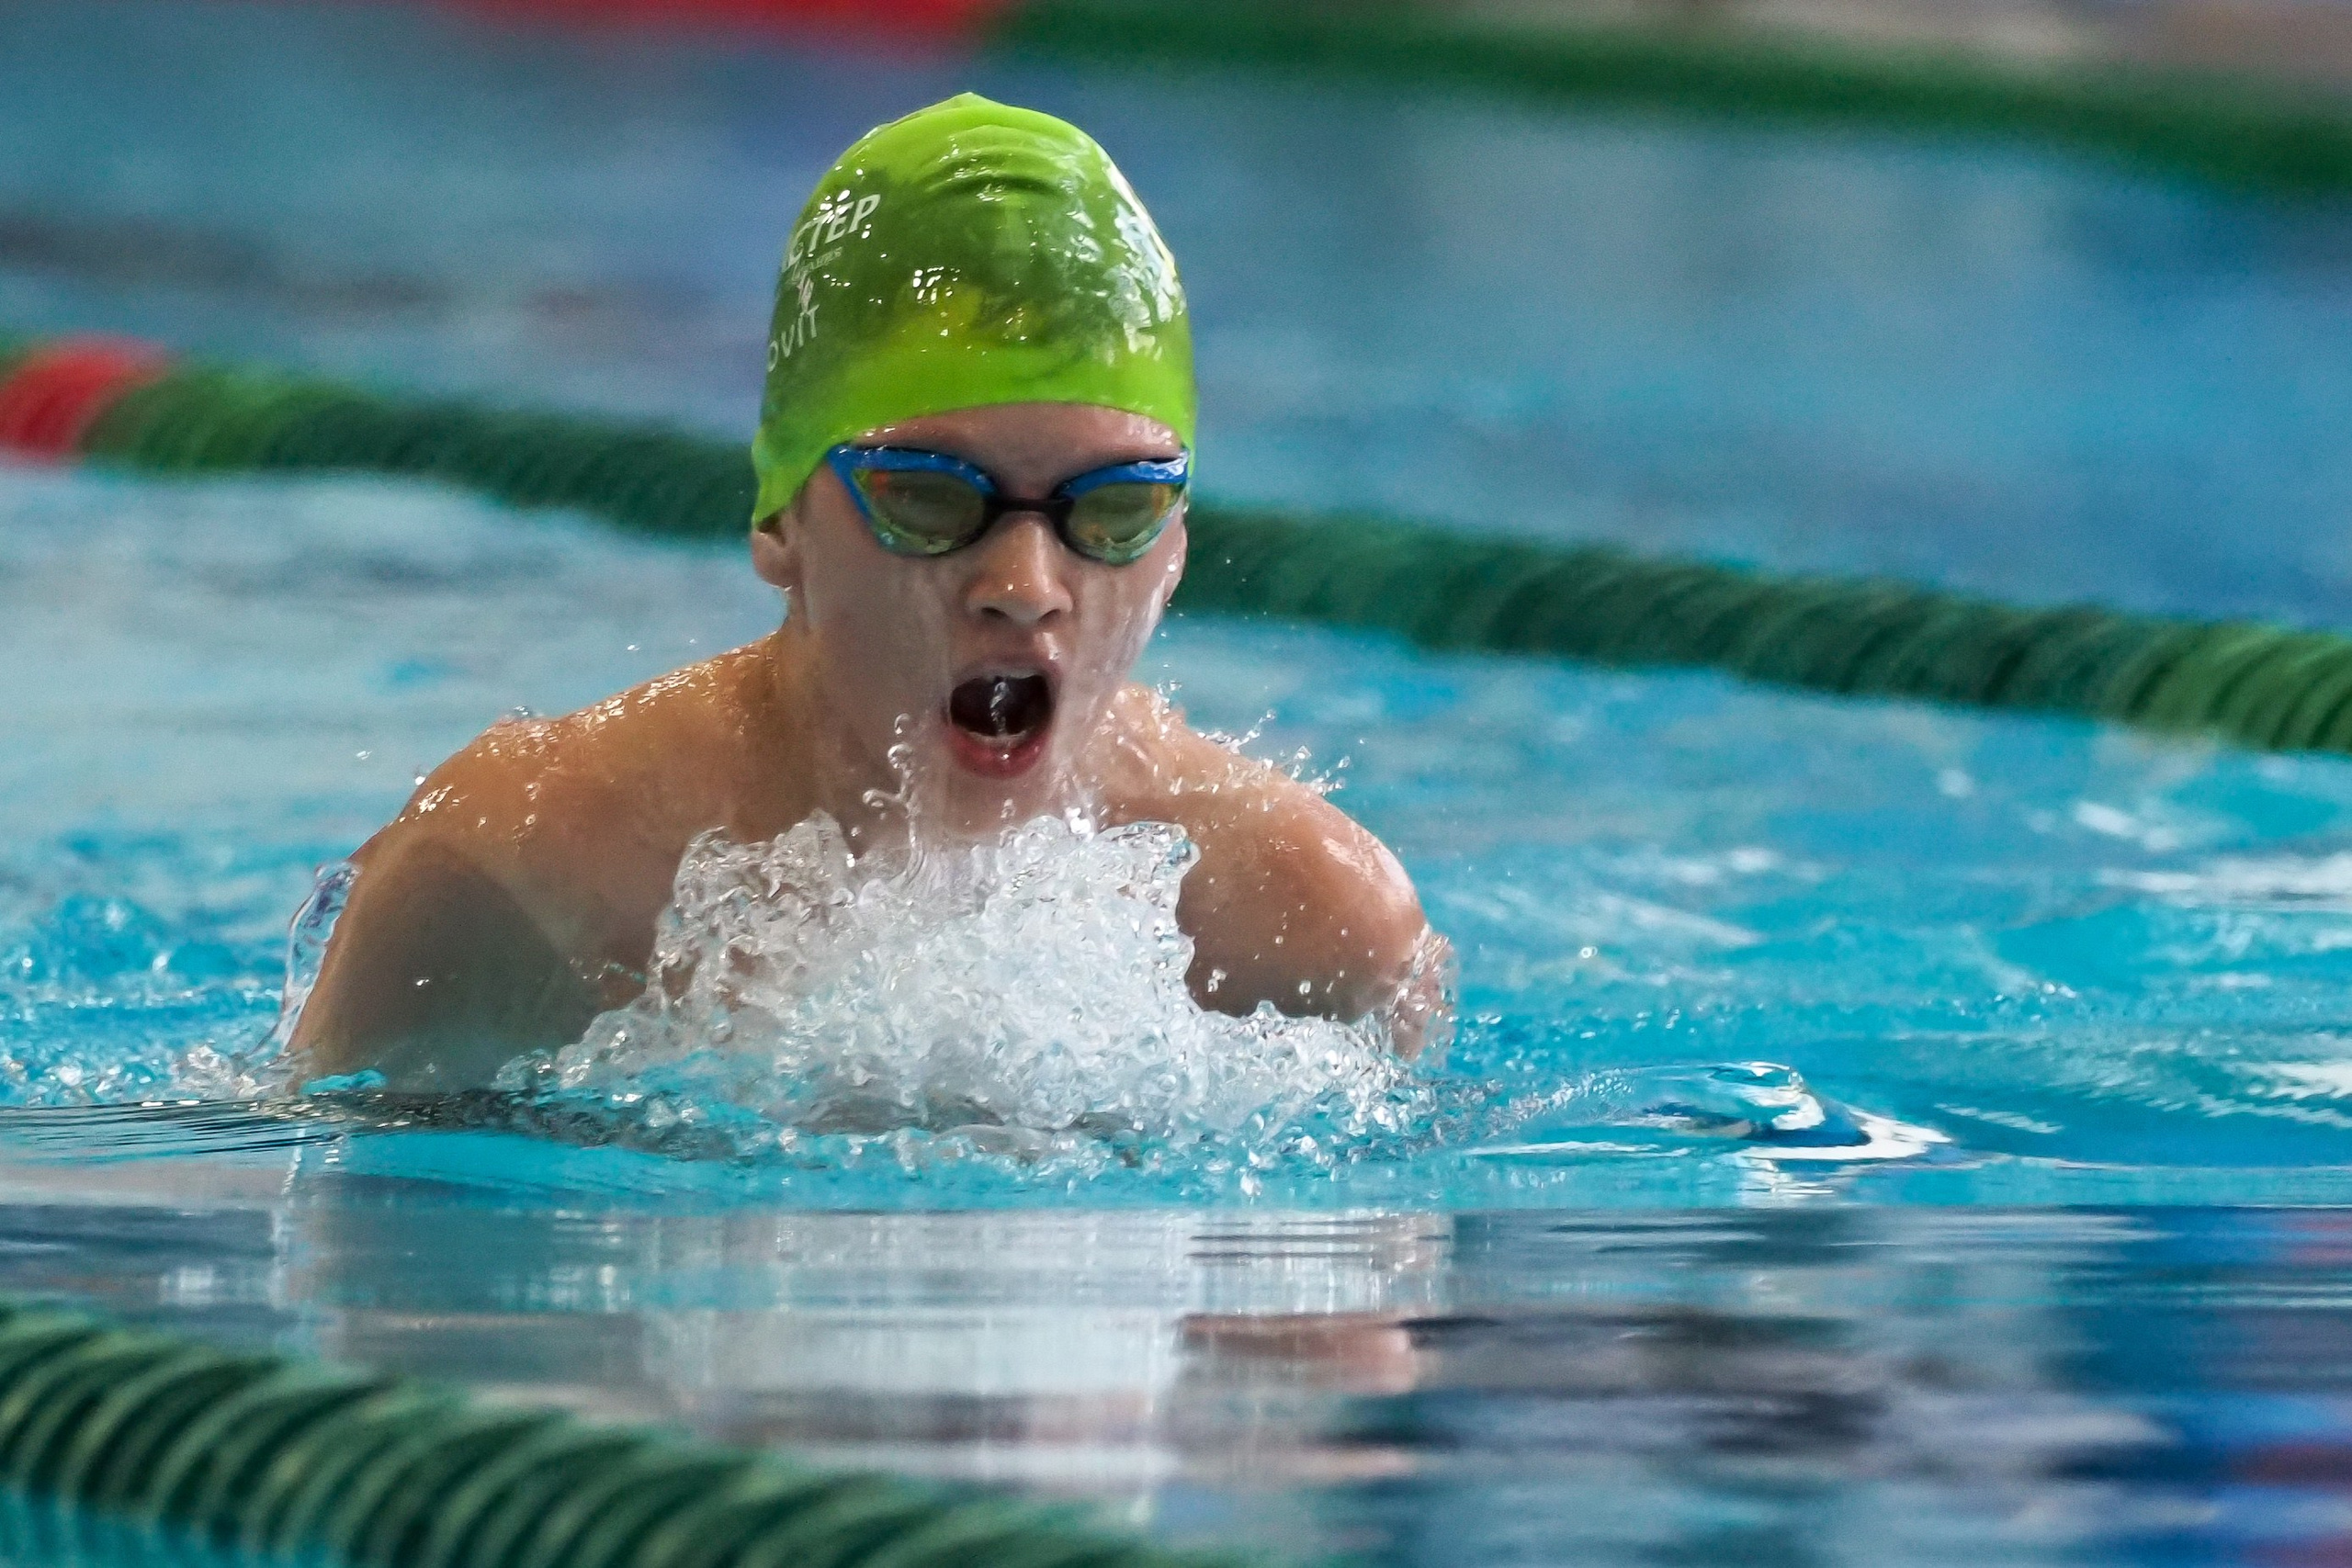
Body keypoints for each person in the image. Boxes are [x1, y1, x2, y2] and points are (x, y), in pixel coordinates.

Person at [289, 95, 1448, 1093]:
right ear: (782, 520)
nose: (1025, 588)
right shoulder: (519, 868)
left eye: (1112, 510)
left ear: (1178, 541)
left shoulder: (1309, 928)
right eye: (930, 499)